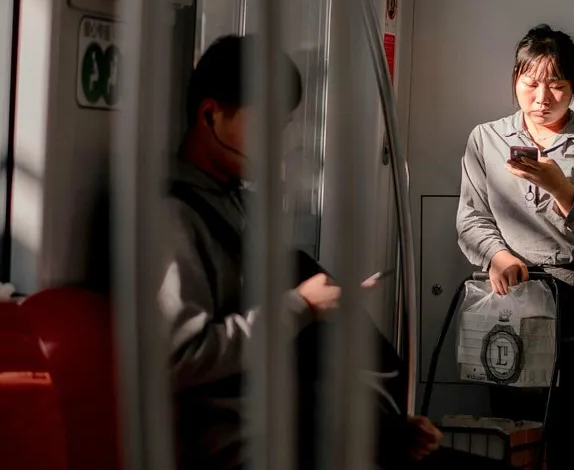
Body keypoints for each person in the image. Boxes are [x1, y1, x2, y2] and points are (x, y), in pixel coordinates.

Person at [159, 34, 445, 470]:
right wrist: (301, 306)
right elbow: (182, 357)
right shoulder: (175, 217)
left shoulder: (236, 204)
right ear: (210, 116)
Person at [456, 24, 574, 469]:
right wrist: (498, 255)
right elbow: (471, 218)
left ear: (572, 87)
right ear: (515, 80)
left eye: (557, 86)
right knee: (512, 422)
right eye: (530, 84)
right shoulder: (485, 139)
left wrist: (561, 188)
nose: (542, 98)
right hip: (513, 290)